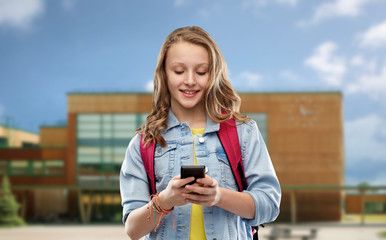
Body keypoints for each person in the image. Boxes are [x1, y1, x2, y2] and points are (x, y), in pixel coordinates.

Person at [120, 26, 281, 240]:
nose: (190, 80)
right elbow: (133, 229)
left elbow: (269, 205)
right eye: (178, 71)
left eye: (201, 72)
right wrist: (165, 200)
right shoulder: (143, 144)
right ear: (164, 74)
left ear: (213, 74)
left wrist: (218, 196)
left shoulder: (244, 132)